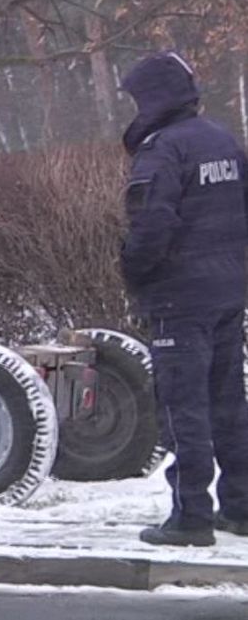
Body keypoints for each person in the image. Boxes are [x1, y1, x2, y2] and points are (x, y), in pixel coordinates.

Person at [119, 51, 248, 546]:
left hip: (179, 300)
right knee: (228, 402)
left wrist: (133, 270)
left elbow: (151, 225)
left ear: (153, 98)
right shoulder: (221, 140)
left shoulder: (162, 150)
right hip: (227, 293)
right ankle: (240, 506)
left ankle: (190, 516)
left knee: (183, 406)